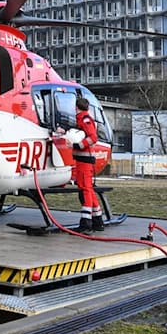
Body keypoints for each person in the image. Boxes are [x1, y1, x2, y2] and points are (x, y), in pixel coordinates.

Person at [73, 96, 105, 233]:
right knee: (88, 189)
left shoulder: (85, 119)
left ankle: (86, 223)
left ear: (76, 107)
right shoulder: (82, 118)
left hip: (85, 161)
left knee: (85, 190)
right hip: (82, 161)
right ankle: (98, 220)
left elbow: (93, 137)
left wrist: (78, 145)